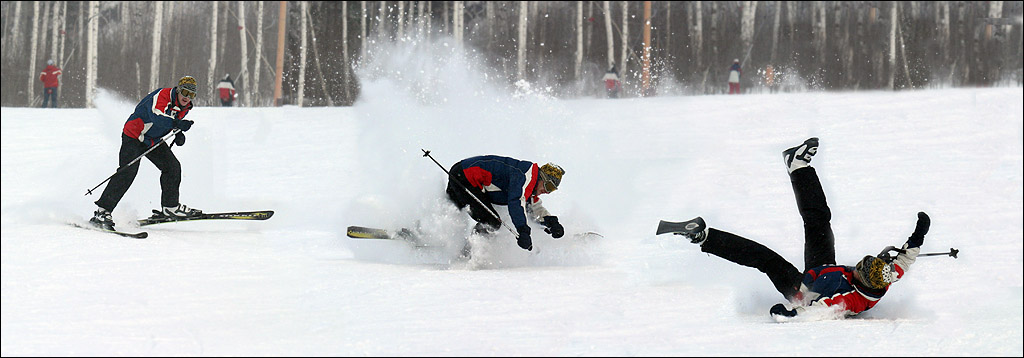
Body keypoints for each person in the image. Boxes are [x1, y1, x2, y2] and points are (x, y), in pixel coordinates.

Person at [657, 137, 931, 319]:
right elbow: (905, 260)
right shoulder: (887, 274)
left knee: (763, 257)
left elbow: (819, 312)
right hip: (823, 267)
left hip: (803, 289)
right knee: (819, 219)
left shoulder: (848, 301)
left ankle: (703, 236)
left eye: (858, 270)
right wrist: (918, 234)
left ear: (863, 283)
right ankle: (798, 165)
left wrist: (791, 313)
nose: (856, 267)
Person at [89, 76, 202, 230]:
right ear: (178, 90)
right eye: (184, 92)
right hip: (134, 136)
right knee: (128, 171)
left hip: (152, 140)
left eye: (191, 95)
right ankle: (102, 212)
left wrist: (178, 132)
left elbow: (170, 120)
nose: (186, 98)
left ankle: (170, 207)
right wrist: (177, 124)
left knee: (173, 167)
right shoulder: (162, 96)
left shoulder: (185, 107)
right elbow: (157, 117)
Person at [446, 156, 566, 251]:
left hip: (462, 174)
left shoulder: (529, 186)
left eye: (552, 189)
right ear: (542, 178)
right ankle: (467, 253)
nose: (548, 192)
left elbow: (533, 208)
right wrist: (523, 231)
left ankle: (441, 237)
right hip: (465, 177)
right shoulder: (525, 176)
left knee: (455, 211)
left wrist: (552, 223)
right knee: (491, 222)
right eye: (549, 186)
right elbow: (516, 202)